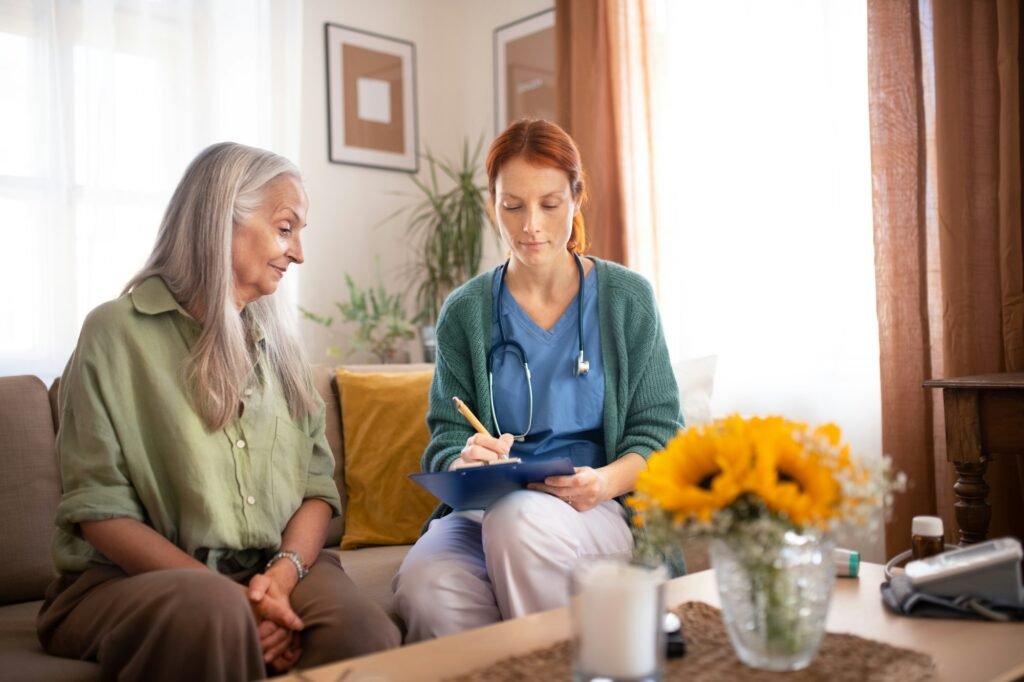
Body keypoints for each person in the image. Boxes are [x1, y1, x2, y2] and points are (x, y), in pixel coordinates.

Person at [37, 142, 401, 681]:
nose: (298, 253)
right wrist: (233, 598)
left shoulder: (281, 347)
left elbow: (317, 490)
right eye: (285, 228)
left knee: (363, 633)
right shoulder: (114, 333)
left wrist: (280, 576)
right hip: (124, 583)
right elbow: (98, 510)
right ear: (221, 220)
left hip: (272, 568)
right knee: (214, 613)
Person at [393, 119, 683, 642]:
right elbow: (444, 438)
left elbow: (660, 433)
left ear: (576, 198)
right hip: (487, 512)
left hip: (595, 509)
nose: (531, 225)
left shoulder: (627, 299)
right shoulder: (465, 312)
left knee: (518, 521)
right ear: (492, 204)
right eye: (513, 205)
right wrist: (464, 459)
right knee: (426, 584)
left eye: (549, 204)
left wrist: (604, 483)